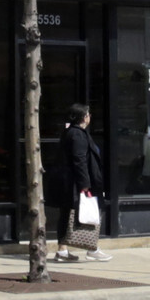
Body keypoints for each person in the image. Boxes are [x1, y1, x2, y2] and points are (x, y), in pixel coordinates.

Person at [54, 103, 111, 263]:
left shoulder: (71, 132)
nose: (90, 116)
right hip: (78, 183)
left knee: (68, 214)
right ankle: (91, 248)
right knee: (87, 213)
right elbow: (79, 160)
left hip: (73, 182)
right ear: (83, 117)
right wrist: (85, 183)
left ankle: (63, 250)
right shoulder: (77, 134)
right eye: (88, 114)